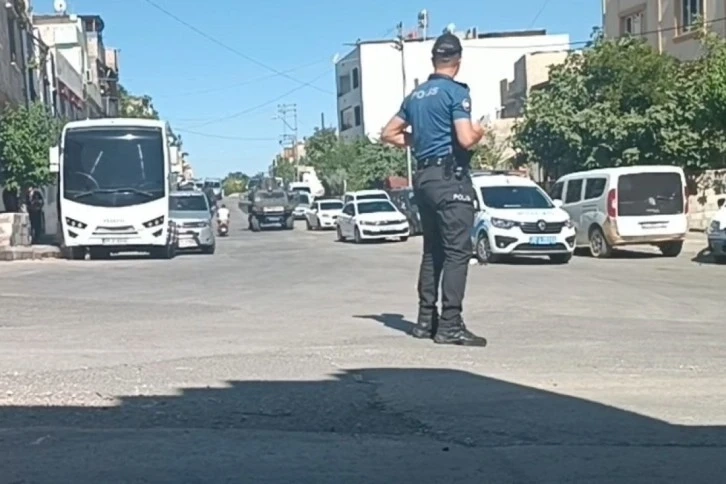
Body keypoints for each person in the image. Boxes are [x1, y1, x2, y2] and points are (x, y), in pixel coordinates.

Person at [381, 33, 487, 347]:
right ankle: (450, 324)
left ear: (434, 60)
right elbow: (465, 138)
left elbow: (389, 133)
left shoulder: (415, 96)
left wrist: (420, 140)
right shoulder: (456, 93)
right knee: (457, 252)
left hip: (424, 179)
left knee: (432, 251)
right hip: (449, 178)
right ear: (458, 61)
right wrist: (479, 131)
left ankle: (425, 321)